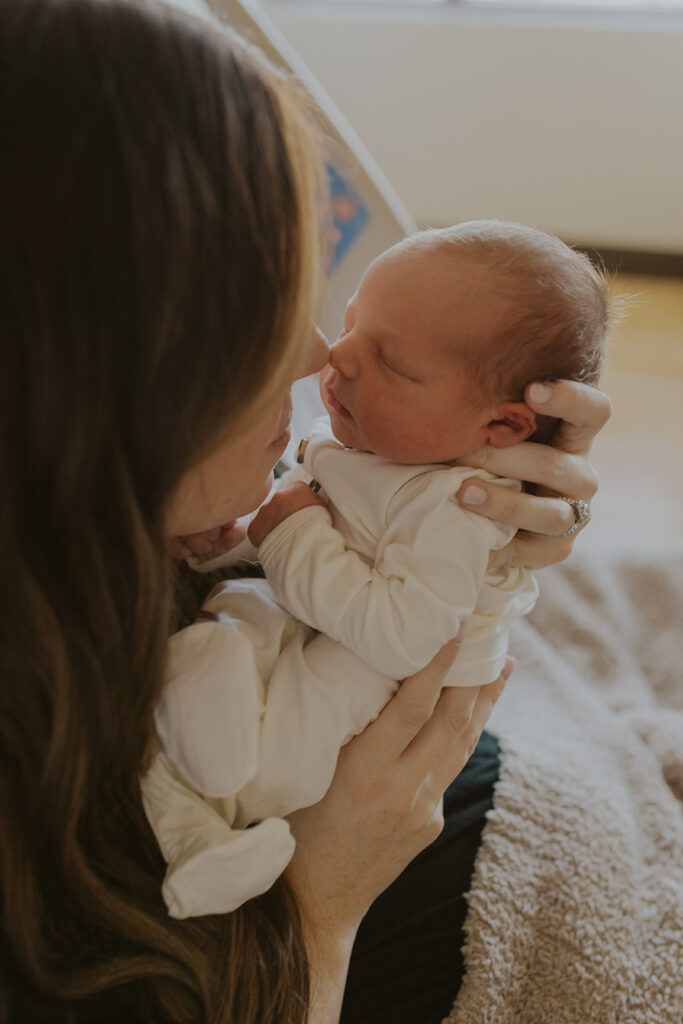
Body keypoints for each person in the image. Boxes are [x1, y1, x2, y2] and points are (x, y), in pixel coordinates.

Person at [0, 2, 611, 1024]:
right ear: (110, 384)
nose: (318, 357)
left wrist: (487, 523)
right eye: (267, 317)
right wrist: (316, 918)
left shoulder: (86, 543)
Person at [142, 221, 613, 924]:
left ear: (503, 427)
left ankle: (206, 833)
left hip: (383, 686)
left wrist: (286, 530)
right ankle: (198, 828)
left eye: (391, 362)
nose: (332, 353)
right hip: (325, 636)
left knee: (266, 757)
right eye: (353, 321)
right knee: (233, 630)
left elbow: (397, 637)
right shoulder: (377, 446)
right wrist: (230, 542)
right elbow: (300, 529)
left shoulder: (456, 505)